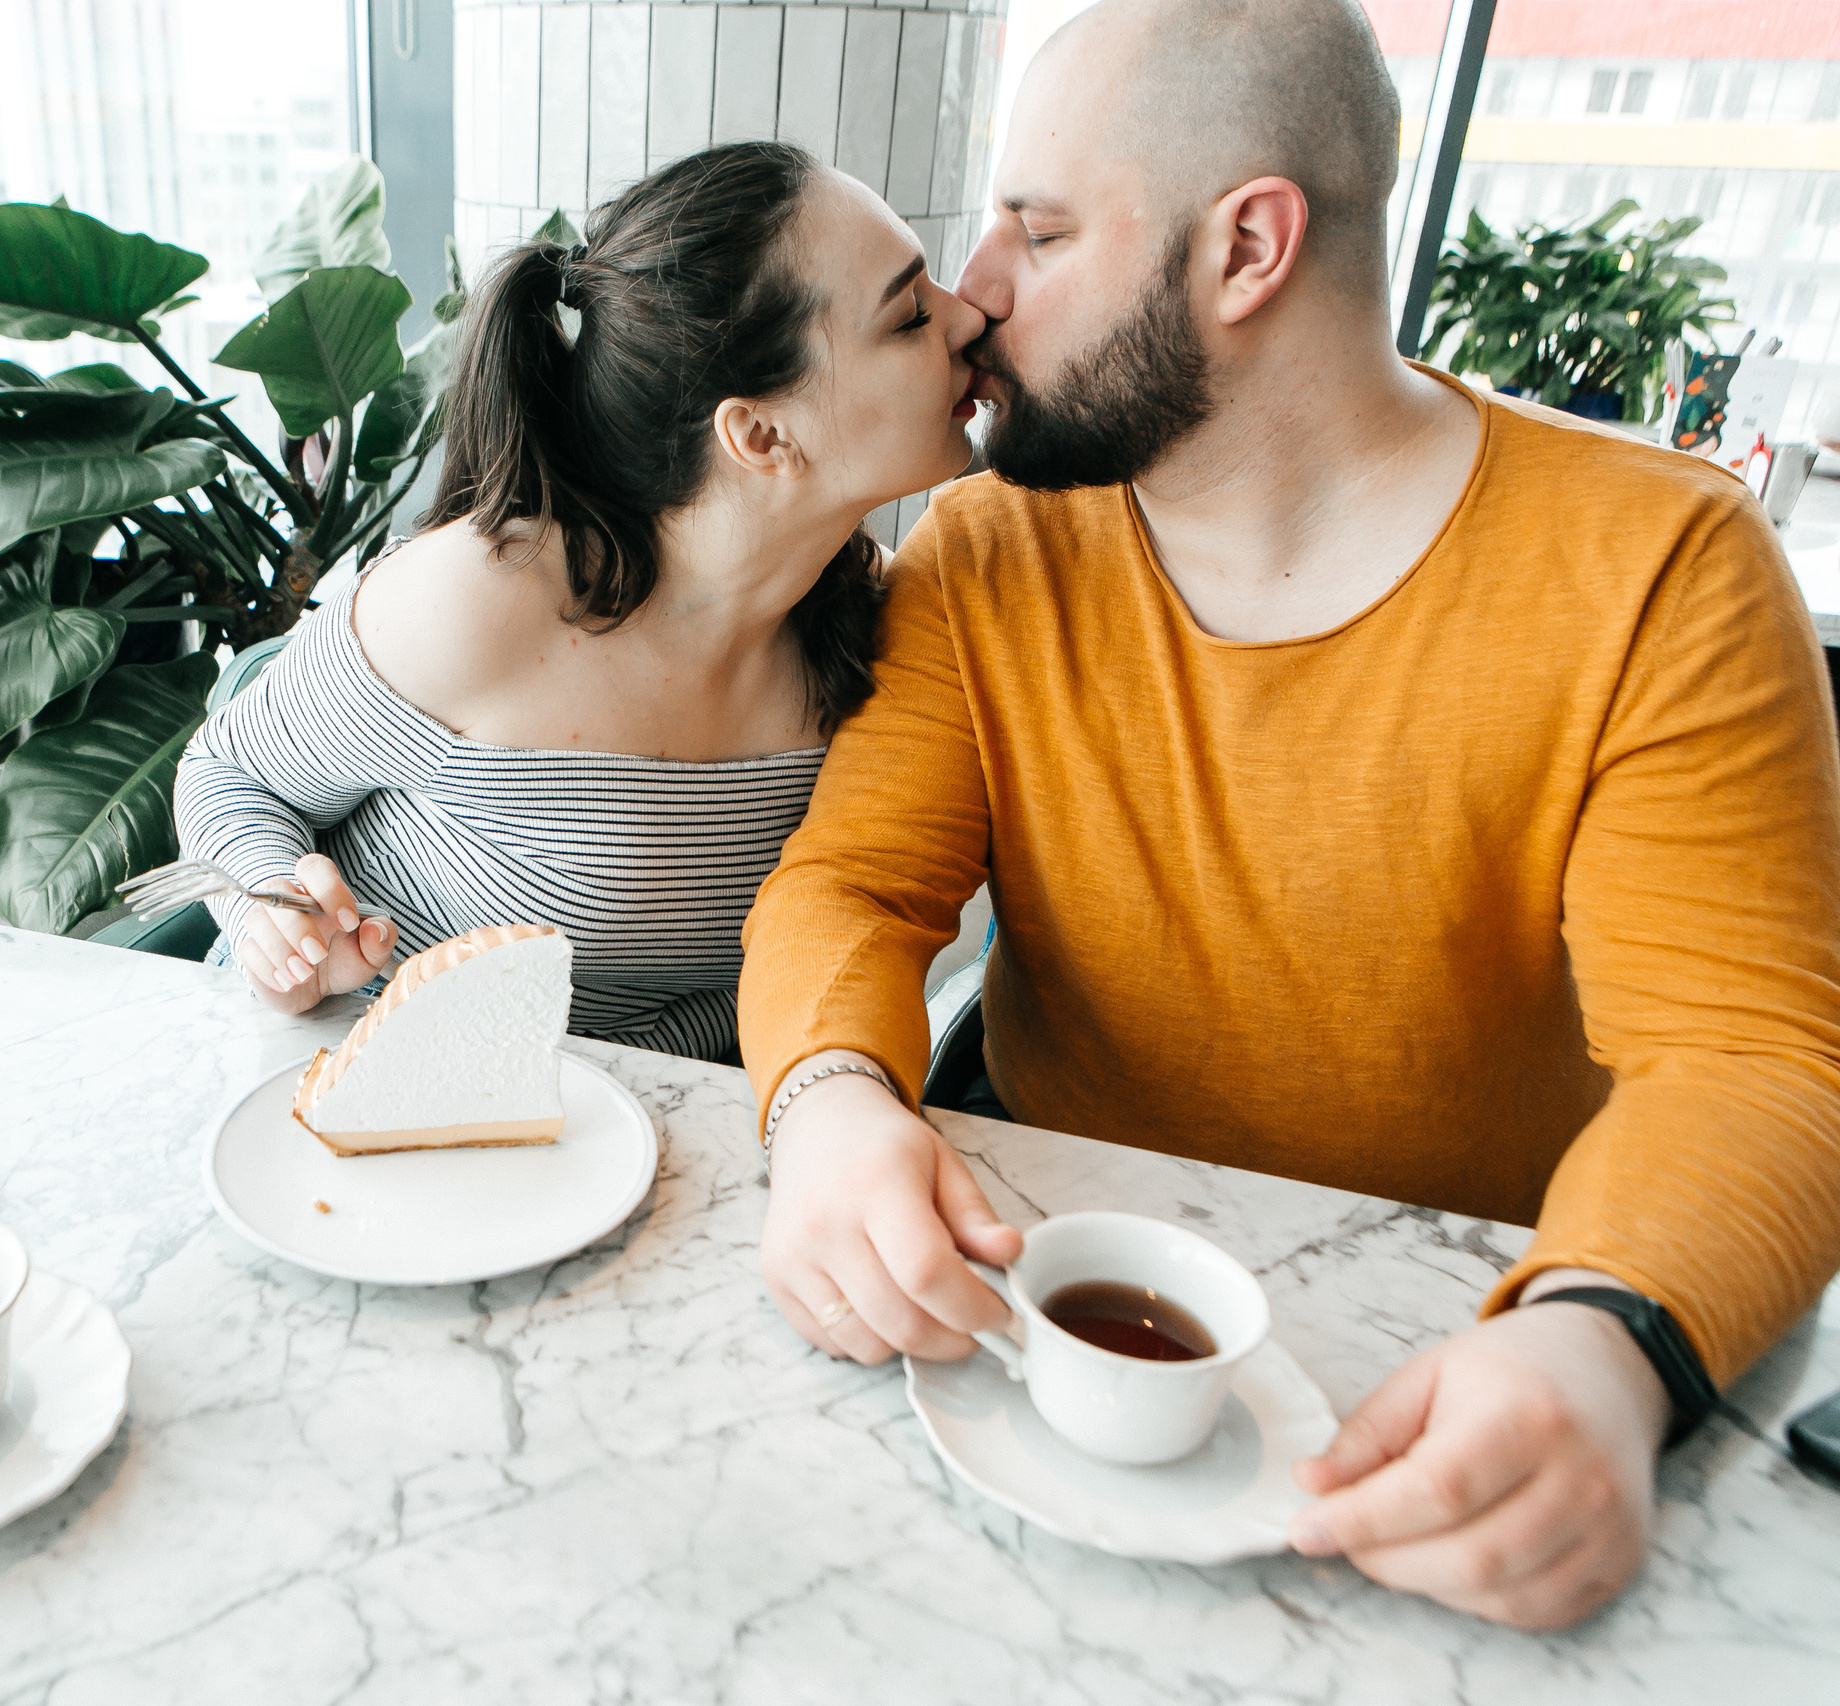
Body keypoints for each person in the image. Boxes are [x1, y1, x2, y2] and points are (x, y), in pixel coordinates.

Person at [739, 0, 1840, 1632]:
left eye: (1038, 231)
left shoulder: (1663, 568)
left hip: (1462, 1329)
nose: (974, 295)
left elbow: (1753, 1062)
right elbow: (850, 889)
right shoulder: (980, 558)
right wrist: (827, 1106)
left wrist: (1607, 1340)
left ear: (1248, 246)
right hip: (1034, 1298)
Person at [173, 140, 985, 1061]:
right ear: (760, 431)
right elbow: (227, 771)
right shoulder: (481, 599)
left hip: (671, 1141)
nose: (972, 318)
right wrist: (275, 920)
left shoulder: (887, 623)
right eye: (911, 314)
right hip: (376, 1085)